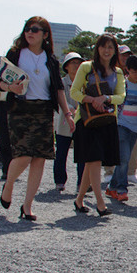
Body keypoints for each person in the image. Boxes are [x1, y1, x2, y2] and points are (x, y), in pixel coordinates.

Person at [0, 17, 73, 222]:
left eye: (35, 29)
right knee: (24, 154)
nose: (30, 33)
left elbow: (58, 90)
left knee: (39, 159)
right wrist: (10, 87)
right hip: (20, 108)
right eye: (27, 29)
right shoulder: (16, 54)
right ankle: (9, 184)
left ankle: (27, 205)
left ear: (45, 35)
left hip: (44, 110)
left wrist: (67, 114)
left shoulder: (50, 60)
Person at [71, 34, 125, 216]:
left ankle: (79, 200)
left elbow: (121, 96)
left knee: (92, 162)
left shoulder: (118, 72)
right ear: (97, 49)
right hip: (87, 120)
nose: (107, 50)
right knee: (93, 159)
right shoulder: (86, 67)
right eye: (104, 46)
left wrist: (106, 98)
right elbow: (74, 92)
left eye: (111, 47)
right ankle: (100, 203)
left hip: (107, 120)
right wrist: (92, 99)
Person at [107, 54, 137, 202]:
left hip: (135, 127)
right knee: (125, 157)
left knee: (123, 159)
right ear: (127, 70)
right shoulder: (122, 83)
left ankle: (111, 187)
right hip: (121, 124)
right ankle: (122, 189)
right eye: (134, 72)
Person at [53, 52, 83, 192]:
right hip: (64, 121)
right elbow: (59, 99)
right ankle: (60, 181)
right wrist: (70, 109)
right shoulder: (62, 82)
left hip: (80, 120)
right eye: (73, 63)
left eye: (78, 63)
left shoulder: (83, 82)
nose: (76, 66)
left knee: (82, 154)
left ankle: (81, 183)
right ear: (66, 66)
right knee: (61, 152)